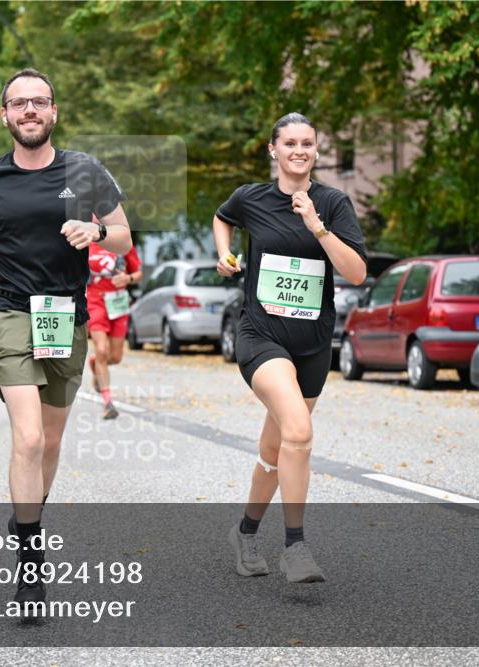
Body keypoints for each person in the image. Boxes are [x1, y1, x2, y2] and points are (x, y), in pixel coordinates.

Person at [0, 68, 131, 609]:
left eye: (39, 102)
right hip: (8, 313)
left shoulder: (86, 170)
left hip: (66, 314)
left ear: (53, 112)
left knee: (51, 441)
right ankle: (31, 562)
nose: (29, 111)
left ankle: (26, 514)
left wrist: (97, 231)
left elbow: (124, 237)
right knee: (28, 438)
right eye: (19, 103)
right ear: (4, 114)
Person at [214, 112, 366, 584]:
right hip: (262, 336)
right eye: (290, 143)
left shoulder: (333, 203)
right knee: (298, 431)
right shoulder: (251, 198)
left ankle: (245, 531)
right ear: (273, 150)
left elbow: (357, 273)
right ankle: (295, 547)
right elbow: (223, 218)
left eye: (307, 143)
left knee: (275, 448)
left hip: (314, 344)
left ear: (316, 151)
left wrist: (318, 227)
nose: (299, 150)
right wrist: (225, 252)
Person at [85, 241, 142, 419]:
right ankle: (108, 403)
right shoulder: (86, 244)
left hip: (118, 303)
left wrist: (128, 279)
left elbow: (138, 273)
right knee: (102, 349)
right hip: (95, 302)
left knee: (115, 357)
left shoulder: (123, 243)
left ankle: (96, 363)